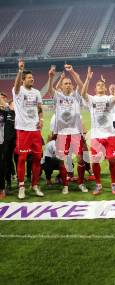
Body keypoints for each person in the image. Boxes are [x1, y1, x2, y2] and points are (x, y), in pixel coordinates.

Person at [47, 64, 88, 194]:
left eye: (70, 83)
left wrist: (73, 72)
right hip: (62, 134)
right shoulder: (58, 96)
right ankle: (65, 185)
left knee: (81, 159)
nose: (68, 85)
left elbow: (81, 86)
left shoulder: (76, 96)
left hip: (76, 133)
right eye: (66, 83)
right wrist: (51, 77)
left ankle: (81, 183)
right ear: (62, 86)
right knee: (63, 160)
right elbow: (50, 90)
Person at [81, 67, 115, 195]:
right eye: (98, 85)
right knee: (96, 161)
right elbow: (82, 94)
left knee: (112, 160)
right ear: (95, 88)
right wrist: (87, 79)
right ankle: (98, 185)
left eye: (102, 85)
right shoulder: (91, 99)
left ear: (105, 87)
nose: (100, 86)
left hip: (110, 135)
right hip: (96, 136)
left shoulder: (109, 99)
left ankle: (113, 184)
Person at [13, 59, 44, 199]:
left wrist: (41, 119)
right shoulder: (18, 91)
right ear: (23, 80)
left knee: (37, 157)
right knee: (22, 159)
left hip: (35, 131)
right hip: (23, 130)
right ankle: (21, 186)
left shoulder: (37, 92)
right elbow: (16, 85)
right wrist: (20, 70)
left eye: (32, 77)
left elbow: (39, 108)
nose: (32, 79)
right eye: (29, 77)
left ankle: (35, 185)